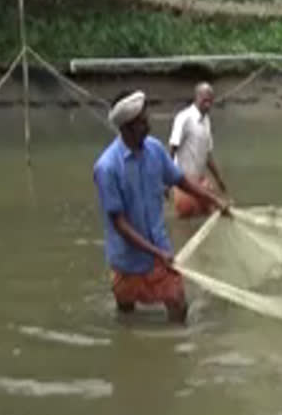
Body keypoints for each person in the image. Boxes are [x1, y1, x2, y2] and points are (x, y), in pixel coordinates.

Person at [93, 89, 230, 324]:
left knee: (178, 305)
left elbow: (181, 181)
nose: (148, 124)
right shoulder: (107, 167)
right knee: (126, 314)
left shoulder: (155, 149)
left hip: (159, 250)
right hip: (127, 260)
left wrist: (214, 200)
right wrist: (158, 253)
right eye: (142, 121)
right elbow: (120, 224)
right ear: (126, 127)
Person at [168, 82, 228, 218]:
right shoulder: (184, 118)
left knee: (207, 215)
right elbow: (173, 148)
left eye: (210, 101)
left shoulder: (206, 120)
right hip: (184, 182)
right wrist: (167, 181)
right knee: (186, 219)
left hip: (200, 181)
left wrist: (219, 179)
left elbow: (207, 154)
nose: (208, 104)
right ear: (197, 97)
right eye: (205, 100)